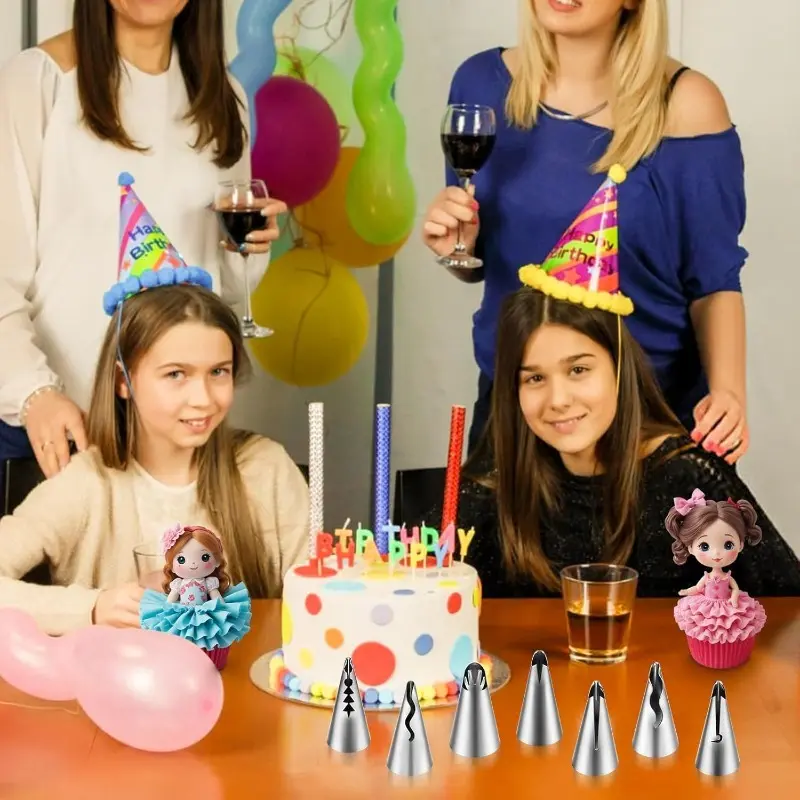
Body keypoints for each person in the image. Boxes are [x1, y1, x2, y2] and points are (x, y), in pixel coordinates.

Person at [422, 0, 749, 463]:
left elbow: (713, 280)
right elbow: (480, 266)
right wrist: (457, 244)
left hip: (647, 411)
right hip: (519, 404)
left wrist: (729, 394)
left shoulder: (686, 103)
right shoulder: (480, 83)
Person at [0, 0, 286, 489]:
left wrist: (247, 250)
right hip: (58, 428)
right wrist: (33, 395)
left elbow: (223, 294)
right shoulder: (36, 82)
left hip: (173, 438)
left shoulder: (225, 97)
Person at [437, 215, 800, 600]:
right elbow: (415, 576)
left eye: (578, 370)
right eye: (535, 378)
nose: (558, 400)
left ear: (619, 370)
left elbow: (790, 605)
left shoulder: (688, 483)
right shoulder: (496, 483)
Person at [0, 281, 308, 636]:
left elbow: (320, 594)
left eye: (218, 371)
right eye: (176, 374)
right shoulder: (85, 483)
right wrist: (93, 608)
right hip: (117, 671)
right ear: (123, 381)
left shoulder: (266, 469)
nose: (203, 398)